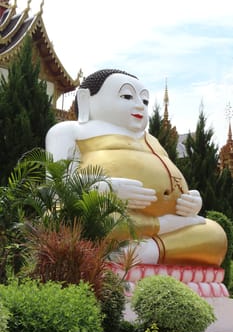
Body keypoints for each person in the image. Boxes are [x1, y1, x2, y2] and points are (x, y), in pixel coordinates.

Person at [46, 69, 227, 266]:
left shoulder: (153, 141)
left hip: (157, 229)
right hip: (111, 216)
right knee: (72, 217)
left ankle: (144, 251)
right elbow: (58, 189)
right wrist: (106, 188)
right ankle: (150, 241)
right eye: (127, 96)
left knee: (216, 234)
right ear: (85, 99)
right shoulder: (70, 131)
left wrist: (193, 201)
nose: (139, 105)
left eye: (145, 101)